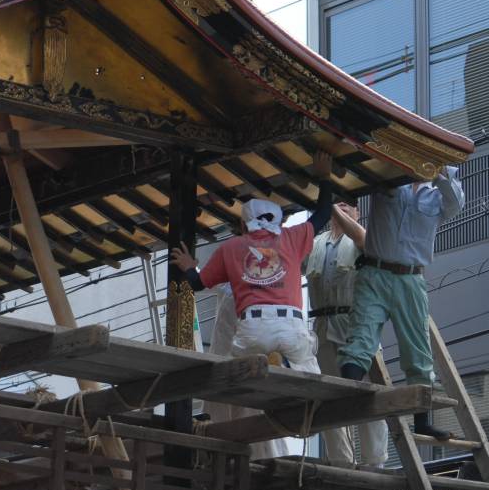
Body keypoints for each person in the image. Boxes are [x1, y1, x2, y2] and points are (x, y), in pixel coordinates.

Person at [170, 151, 333, 458]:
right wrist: (324, 175)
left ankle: (215, 416)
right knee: (310, 372)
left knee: (231, 375)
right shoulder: (292, 237)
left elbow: (196, 284)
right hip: (292, 326)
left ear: (244, 227)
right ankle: (305, 410)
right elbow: (323, 213)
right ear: (278, 222)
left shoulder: (231, 248)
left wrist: (189, 265)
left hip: (252, 330)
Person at [337, 166, 465, 440]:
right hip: (374, 272)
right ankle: (344, 401)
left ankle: (422, 421)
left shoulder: (437, 195)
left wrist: (441, 170)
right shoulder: (387, 179)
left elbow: (456, 203)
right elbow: (362, 176)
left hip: (411, 278)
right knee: (360, 337)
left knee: (418, 351)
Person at [306, 201, 388, 467]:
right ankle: (341, 461)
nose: (341, 207)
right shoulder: (316, 243)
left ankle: (374, 461)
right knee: (329, 397)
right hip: (323, 327)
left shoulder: (364, 237)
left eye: (348, 205)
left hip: (357, 326)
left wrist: (335, 211)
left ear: (357, 212)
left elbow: (363, 240)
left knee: (368, 394)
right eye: (337, 202)